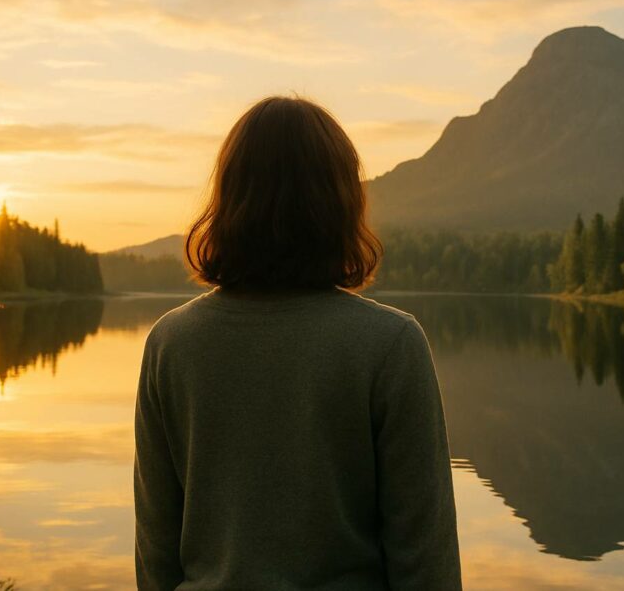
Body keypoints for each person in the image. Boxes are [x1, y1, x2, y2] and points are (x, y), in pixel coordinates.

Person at [133, 96, 462, 590]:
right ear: (340, 200)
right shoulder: (390, 344)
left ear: (229, 196)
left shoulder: (171, 343)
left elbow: (155, 554)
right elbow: (426, 559)